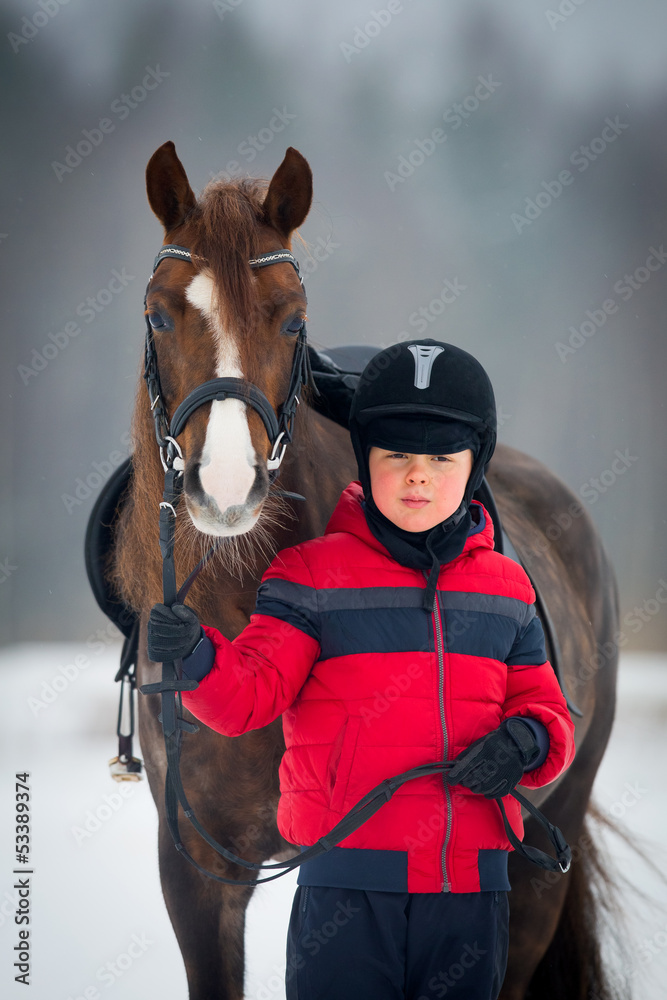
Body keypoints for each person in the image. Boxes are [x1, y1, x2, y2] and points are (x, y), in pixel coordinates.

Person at [147, 339, 576, 1000]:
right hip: (346, 894)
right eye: (395, 456)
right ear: (363, 461)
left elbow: (547, 715)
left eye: (441, 459)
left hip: (469, 894)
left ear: (475, 465)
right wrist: (196, 654)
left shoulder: (508, 591)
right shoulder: (308, 578)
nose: (417, 477)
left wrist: (524, 741)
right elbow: (248, 697)